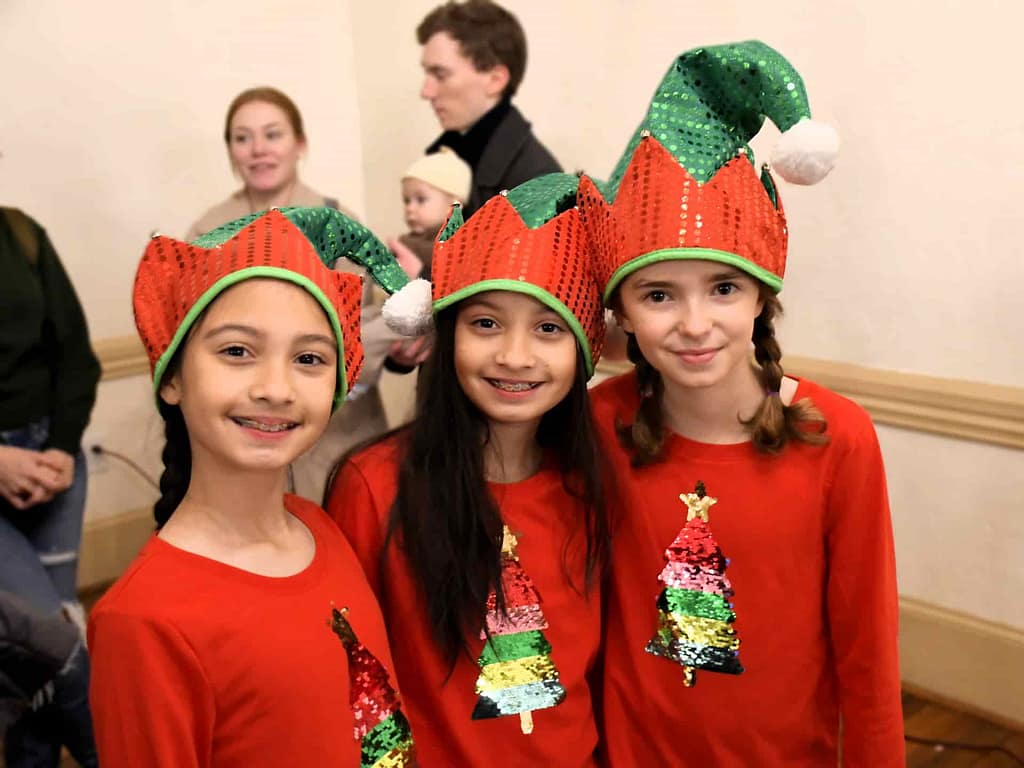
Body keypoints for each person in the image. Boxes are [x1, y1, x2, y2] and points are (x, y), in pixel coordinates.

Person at [576, 42, 904, 765]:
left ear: (761, 294)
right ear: (623, 313)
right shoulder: (601, 424)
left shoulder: (834, 436)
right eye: (659, 294)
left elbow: (868, 651)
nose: (695, 324)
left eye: (722, 288)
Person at [88, 208, 417, 767]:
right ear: (171, 375)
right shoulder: (143, 622)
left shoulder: (319, 526)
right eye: (237, 351)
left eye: (309, 358)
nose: (275, 388)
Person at [327, 174, 610, 766]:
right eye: (486, 323)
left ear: (583, 347)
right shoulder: (374, 485)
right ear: (447, 334)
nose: (514, 355)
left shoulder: (596, 485)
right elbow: (353, 680)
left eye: (548, 328)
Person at [185, 86, 404, 503]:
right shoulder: (207, 233)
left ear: (299, 144)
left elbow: (360, 329)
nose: (258, 149)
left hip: (340, 437)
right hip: (244, 438)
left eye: (272, 134)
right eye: (242, 138)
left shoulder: (337, 223)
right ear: (230, 151)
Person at [0, 205, 99, 767]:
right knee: (54, 651)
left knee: (44, 651)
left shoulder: (22, 234)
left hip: (54, 462)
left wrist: (61, 445)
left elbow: (77, 357)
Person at [417, 0, 561, 216]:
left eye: (440, 75)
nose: (426, 92)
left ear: (495, 80)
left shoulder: (540, 185)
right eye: (427, 74)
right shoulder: (446, 157)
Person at [396, 147, 471, 279]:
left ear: (454, 204)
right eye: (407, 200)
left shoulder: (462, 246)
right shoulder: (405, 241)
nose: (410, 208)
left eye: (421, 199)